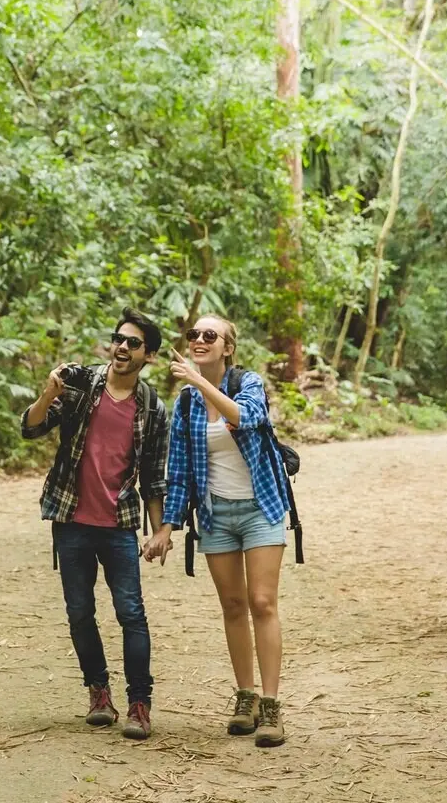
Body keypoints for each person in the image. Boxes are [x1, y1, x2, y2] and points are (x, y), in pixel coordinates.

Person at [142, 315, 293, 747]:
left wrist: (199, 380)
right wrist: (166, 527)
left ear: (228, 347)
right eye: (194, 335)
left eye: (211, 335)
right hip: (215, 514)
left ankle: (271, 706)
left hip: (261, 508)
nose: (200, 340)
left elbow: (246, 417)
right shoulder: (187, 404)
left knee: (262, 602)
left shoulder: (249, 383)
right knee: (232, 605)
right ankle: (244, 698)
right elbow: (181, 472)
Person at [22, 307, 169, 740]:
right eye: (118, 339)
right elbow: (31, 429)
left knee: (131, 613)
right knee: (80, 611)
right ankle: (99, 692)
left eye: (133, 343)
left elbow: (153, 475)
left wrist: (159, 529)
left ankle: (139, 704)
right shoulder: (82, 383)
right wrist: (49, 393)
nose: (122, 347)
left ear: (150, 356)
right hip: (71, 518)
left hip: (119, 522)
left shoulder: (152, 406)